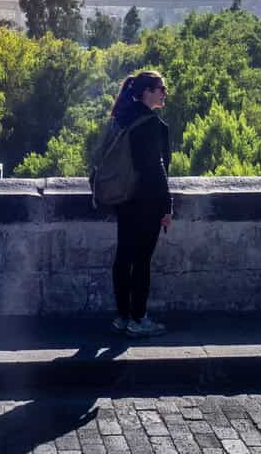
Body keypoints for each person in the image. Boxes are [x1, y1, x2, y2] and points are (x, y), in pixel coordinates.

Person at [107, 70, 172, 338]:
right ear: (146, 92)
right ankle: (139, 319)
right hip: (146, 201)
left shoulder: (120, 118)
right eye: (161, 88)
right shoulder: (151, 124)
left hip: (124, 198)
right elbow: (155, 169)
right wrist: (167, 206)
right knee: (142, 261)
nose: (164, 92)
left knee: (123, 258)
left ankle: (123, 316)